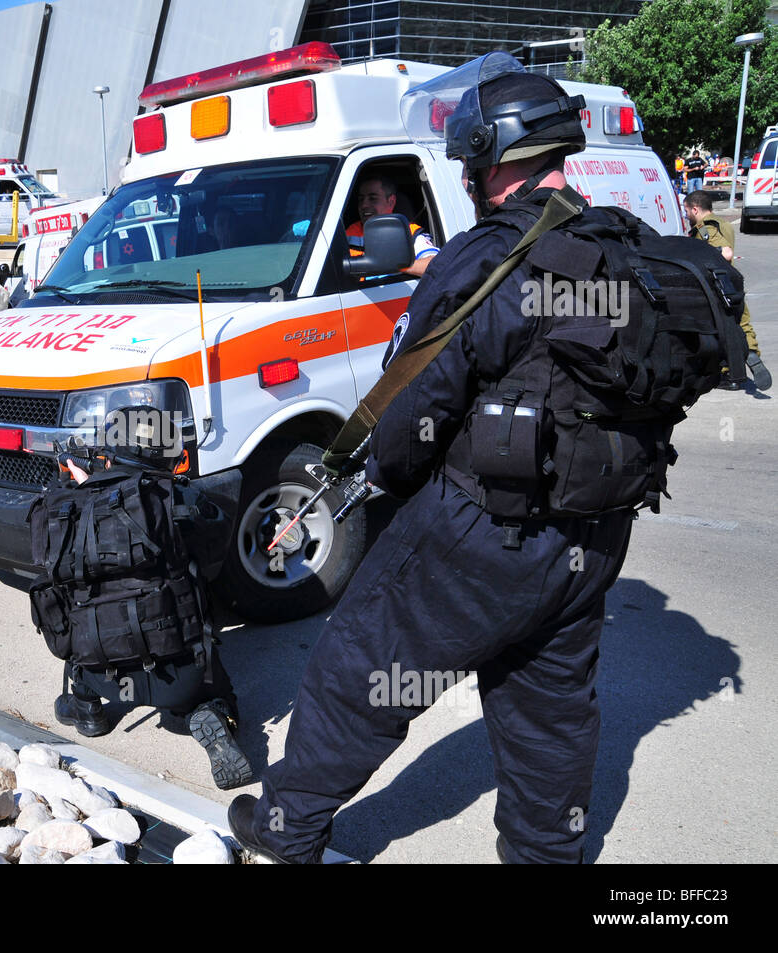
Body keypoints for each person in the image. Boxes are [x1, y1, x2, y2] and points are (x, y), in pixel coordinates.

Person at [228, 58, 648, 864]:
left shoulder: (493, 257)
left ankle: (288, 827)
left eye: (470, 156)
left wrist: (381, 472)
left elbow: (409, 405)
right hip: (592, 535)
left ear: (494, 155)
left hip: (481, 532)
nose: (462, 169)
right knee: (551, 706)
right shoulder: (621, 246)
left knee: (365, 671)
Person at [51, 453, 254, 792]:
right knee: (216, 689)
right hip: (178, 674)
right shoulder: (172, 495)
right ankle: (209, 714)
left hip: (98, 665)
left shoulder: (67, 505)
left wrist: (87, 491)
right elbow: (217, 538)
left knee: (78, 609)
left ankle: (88, 711)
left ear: (108, 455)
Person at [684, 190, 771, 391]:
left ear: (695, 209)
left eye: (687, 211)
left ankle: (729, 374)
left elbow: (725, 252)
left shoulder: (706, 228)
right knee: (742, 323)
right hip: (733, 284)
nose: (686, 215)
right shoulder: (722, 223)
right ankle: (750, 354)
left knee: (720, 329)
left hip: (717, 288)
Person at [345, 174, 440, 276]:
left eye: (372, 198)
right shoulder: (348, 232)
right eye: (361, 199)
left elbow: (437, 265)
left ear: (391, 201)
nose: (364, 205)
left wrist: (393, 264)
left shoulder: (409, 233)